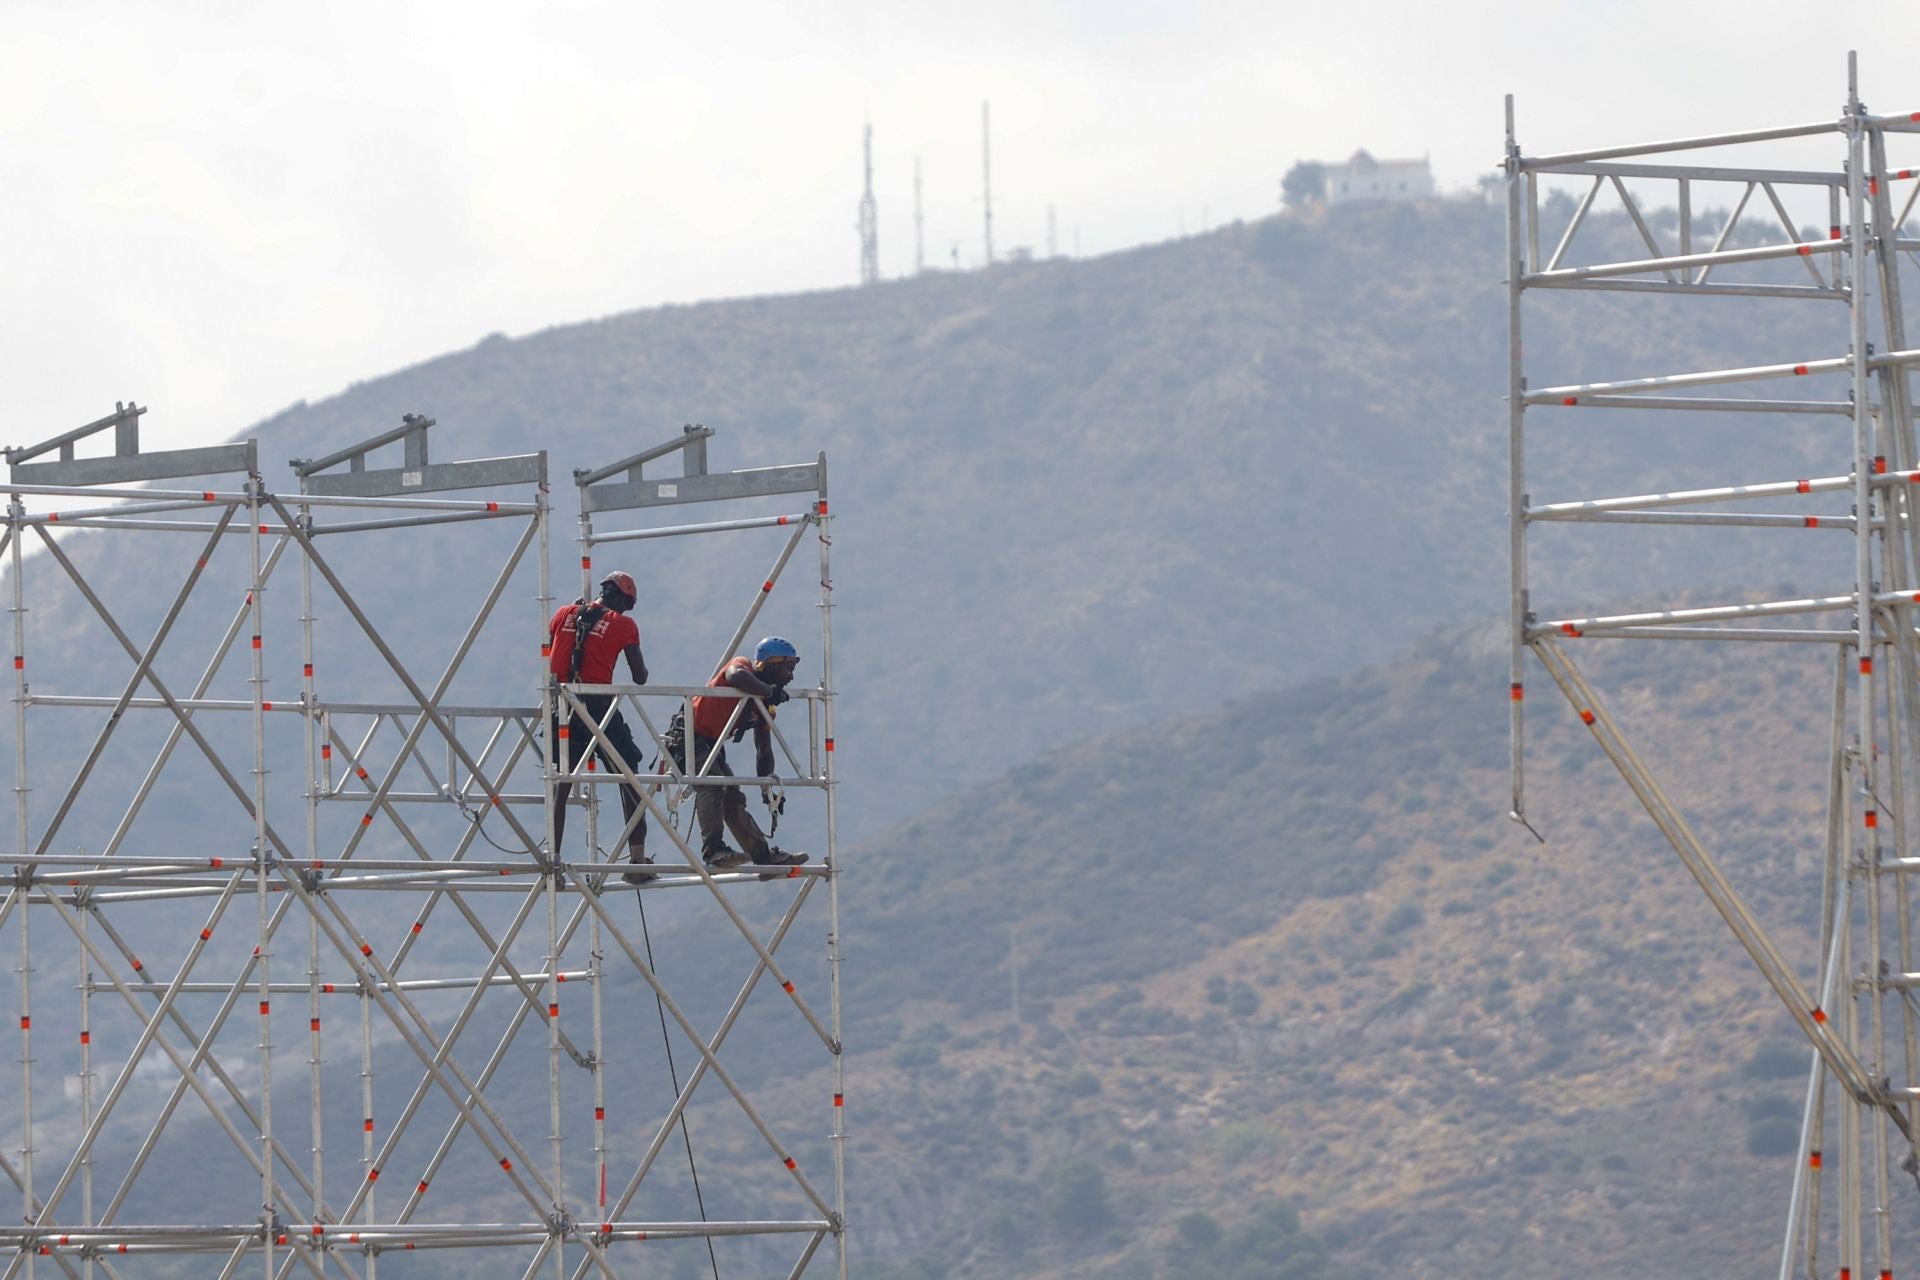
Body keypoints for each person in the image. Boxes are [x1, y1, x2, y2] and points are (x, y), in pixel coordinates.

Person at [547, 571, 655, 882]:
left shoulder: (563, 613)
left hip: (563, 706)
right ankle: (637, 861)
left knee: (562, 783)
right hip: (597, 705)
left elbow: (556, 649)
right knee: (629, 773)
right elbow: (640, 677)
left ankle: (552, 861)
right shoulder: (623, 624)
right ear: (622, 599)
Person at [672, 636, 809, 872]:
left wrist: (766, 785)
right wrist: (768, 691)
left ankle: (763, 857)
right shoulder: (742, 666)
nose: (791, 676)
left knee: (733, 798)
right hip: (688, 739)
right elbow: (735, 676)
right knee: (713, 785)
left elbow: (763, 750)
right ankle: (713, 850)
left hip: (711, 745)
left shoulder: (763, 707)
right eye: (788, 668)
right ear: (770, 663)